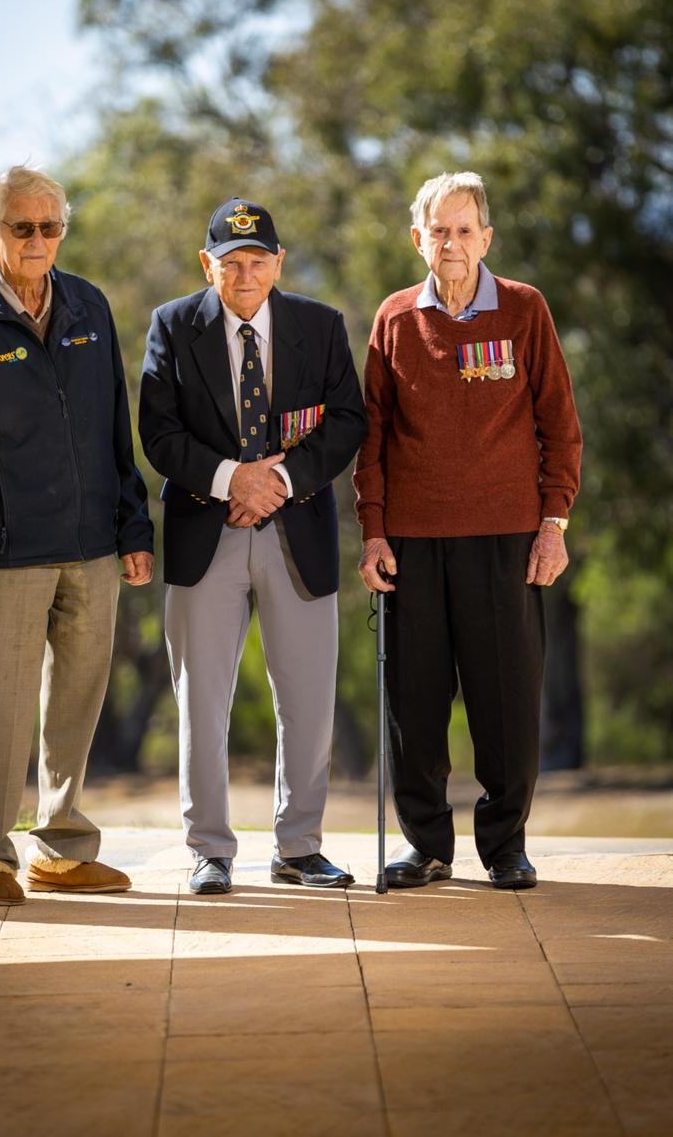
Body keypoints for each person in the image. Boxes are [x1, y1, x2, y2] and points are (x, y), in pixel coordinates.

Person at [0, 165, 154, 905]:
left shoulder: (89, 306)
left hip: (92, 548)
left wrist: (132, 524)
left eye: (52, 227)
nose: (40, 240)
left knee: (77, 702)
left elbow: (118, 425)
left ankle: (61, 846)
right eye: (24, 227)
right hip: (3, 557)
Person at [354, 171, 582, 891]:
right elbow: (373, 440)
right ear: (417, 239)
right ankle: (426, 845)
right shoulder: (394, 318)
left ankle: (505, 845)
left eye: (464, 229)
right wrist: (373, 531)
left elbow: (561, 428)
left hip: (507, 541)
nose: (451, 243)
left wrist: (553, 525)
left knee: (506, 701)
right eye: (438, 230)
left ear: (486, 238)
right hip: (412, 546)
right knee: (414, 706)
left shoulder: (524, 309)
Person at [139, 197, 366, 894]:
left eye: (258, 260)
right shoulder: (173, 327)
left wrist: (281, 480)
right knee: (201, 703)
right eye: (230, 262)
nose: (245, 274)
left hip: (296, 533)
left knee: (307, 699)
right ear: (207, 265)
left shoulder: (320, 326)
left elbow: (348, 419)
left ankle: (299, 847)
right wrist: (232, 478)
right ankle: (210, 849)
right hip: (205, 534)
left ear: (279, 263)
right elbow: (158, 430)